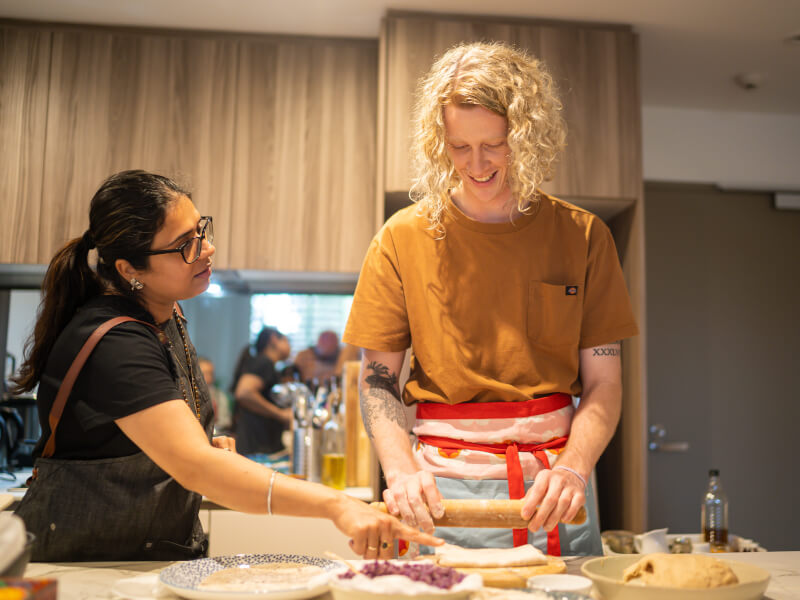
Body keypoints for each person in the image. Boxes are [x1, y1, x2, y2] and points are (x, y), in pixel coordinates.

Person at [11, 170, 440, 562]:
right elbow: (197, 468)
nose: (206, 248)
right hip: (81, 566)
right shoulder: (115, 340)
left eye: (201, 230)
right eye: (185, 245)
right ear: (130, 270)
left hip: (141, 558)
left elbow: (162, 447)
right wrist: (335, 504)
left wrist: (196, 446)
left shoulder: (167, 314)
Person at [343, 42, 639, 556]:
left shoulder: (583, 237)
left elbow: (604, 384)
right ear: (440, 143)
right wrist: (400, 470)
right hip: (439, 492)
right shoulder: (401, 238)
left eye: (494, 145)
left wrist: (574, 466)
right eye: (459, 146)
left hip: (557, 487)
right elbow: (379, 380)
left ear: (524, 136)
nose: (476, 164)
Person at [231, 327, 292, 455]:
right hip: (256, 446)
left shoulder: (266, 364)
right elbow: (244, 393)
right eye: (287, 341)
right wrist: (280, 414)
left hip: (260, 446)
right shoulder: (264, 362)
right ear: (274, 339)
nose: (290, 347)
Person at [198, 356, 233, 435]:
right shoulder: (186, 395)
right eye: (205, 373)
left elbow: (225, 422)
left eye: (211, 374)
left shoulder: (220, 396)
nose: (209, 378)